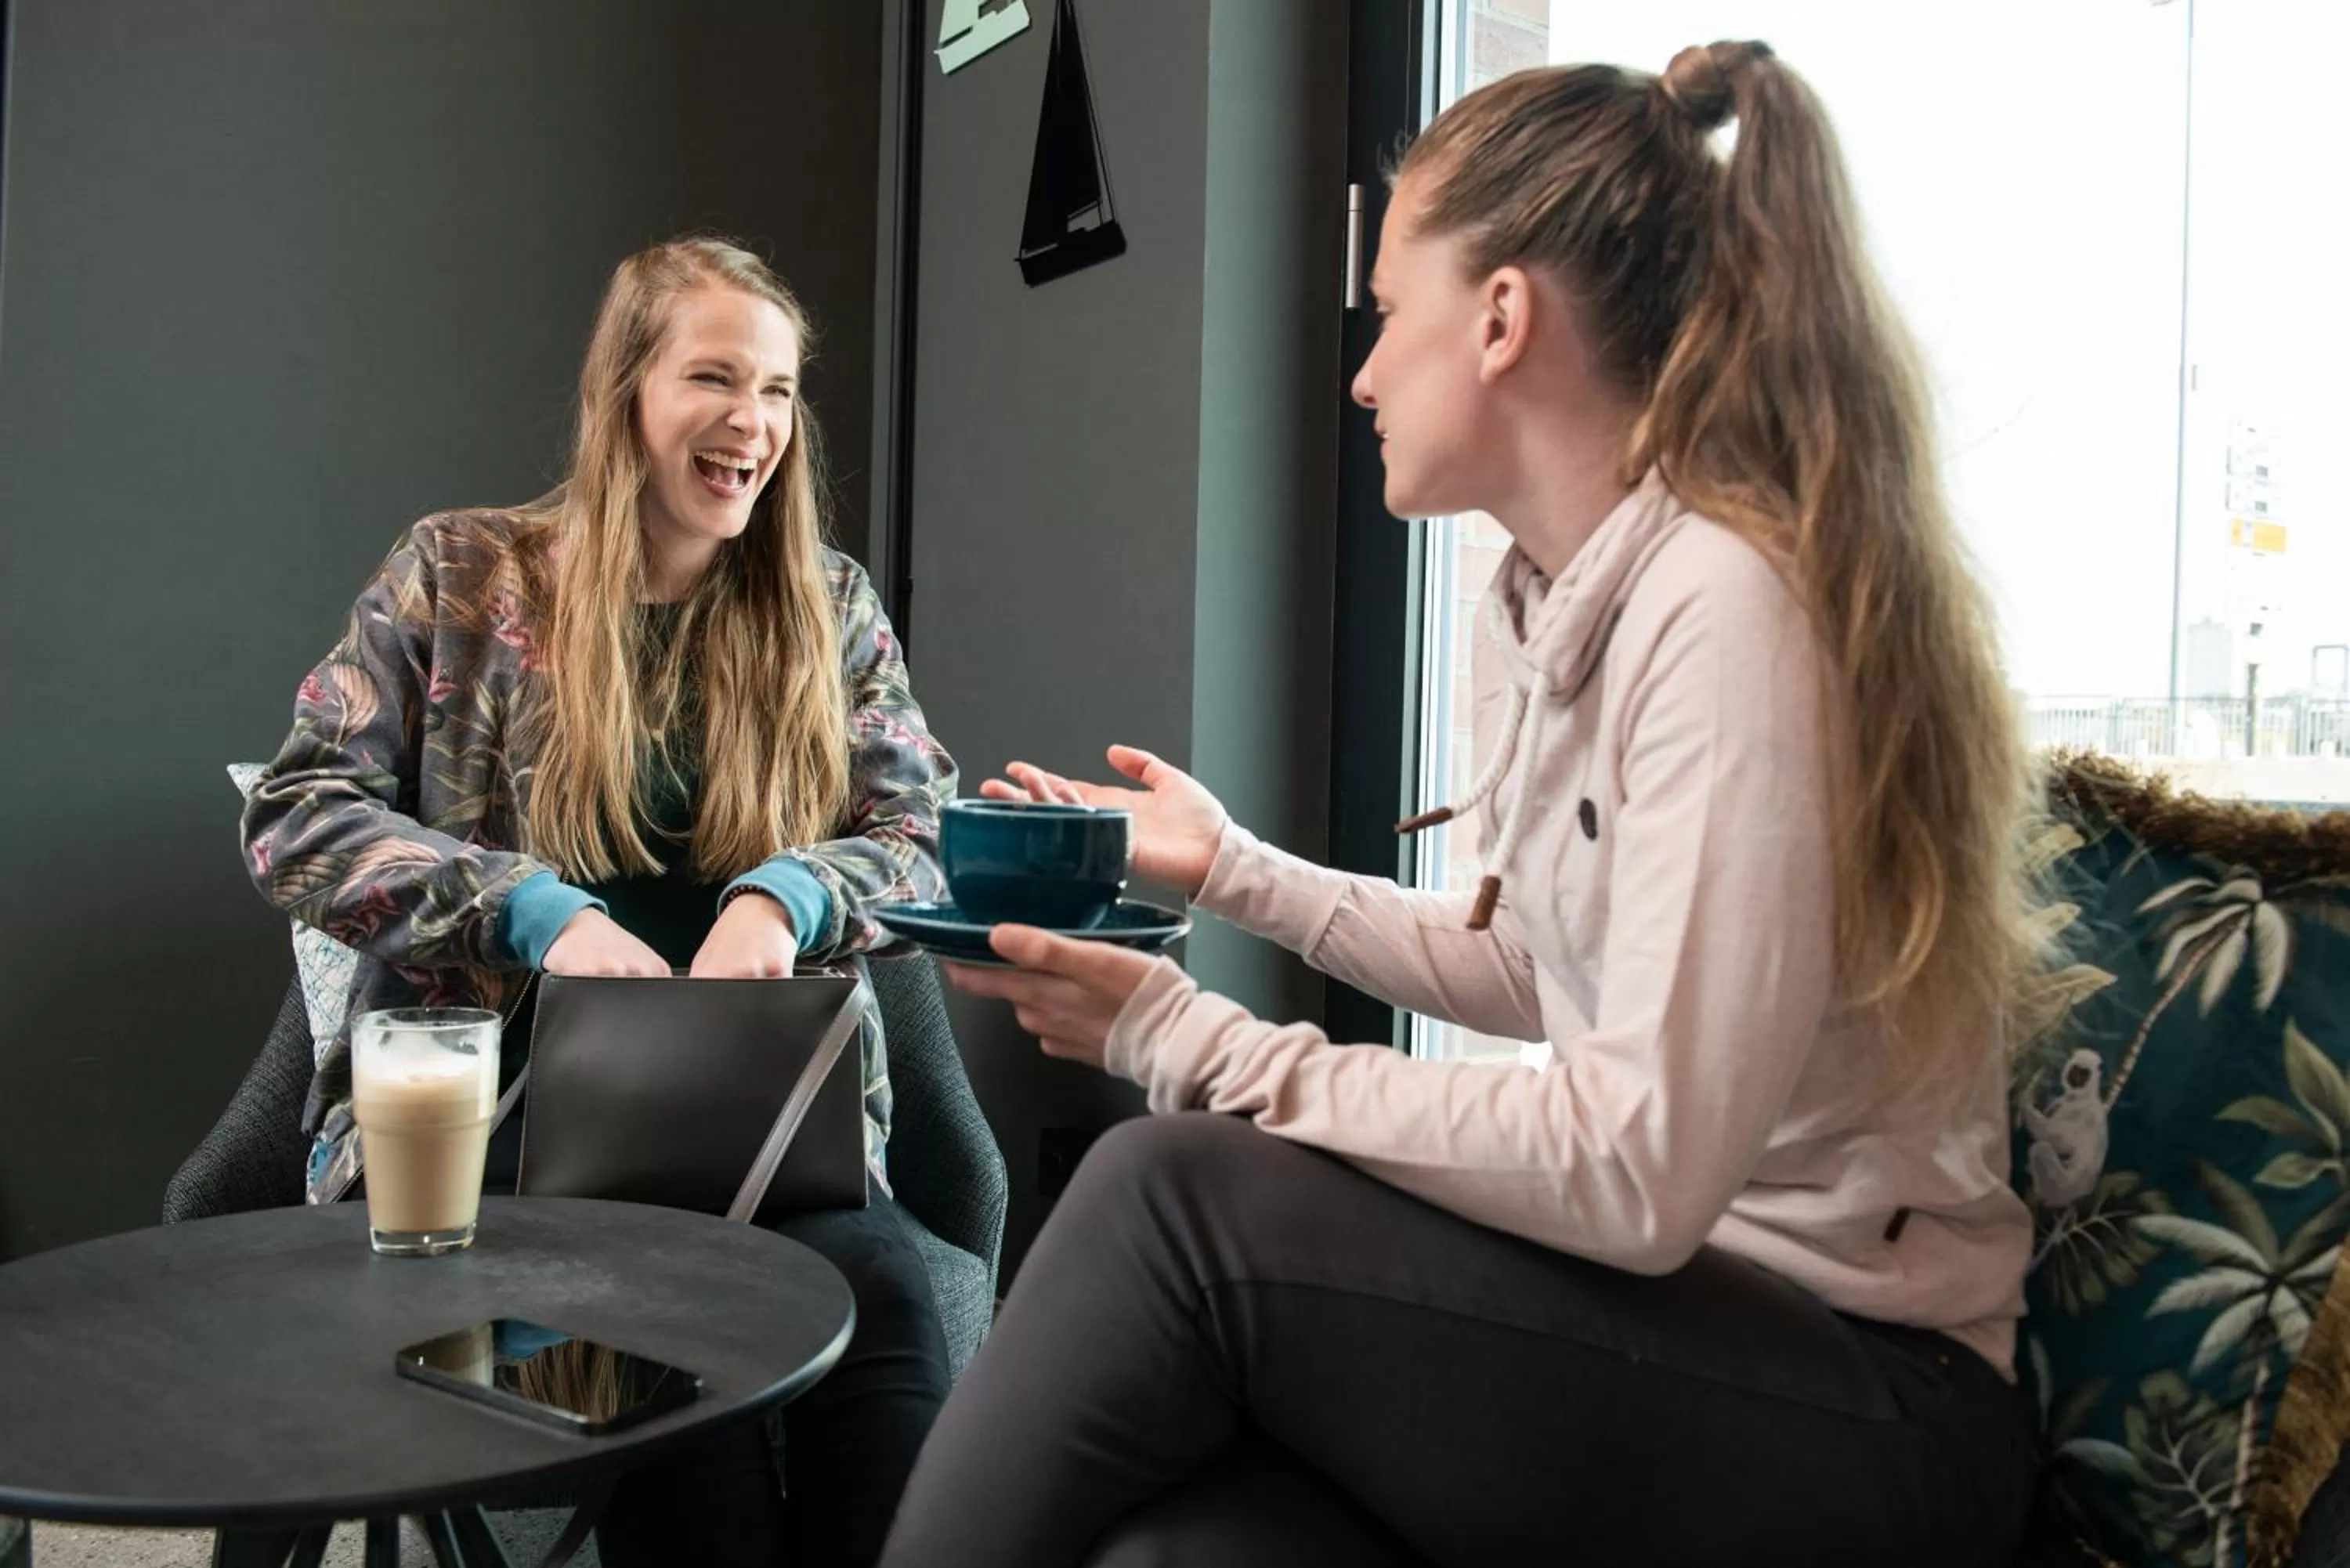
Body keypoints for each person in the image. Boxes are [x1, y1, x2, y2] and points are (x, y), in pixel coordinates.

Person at [880, 42, 2039, 1568]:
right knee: (1187, 1550)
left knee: (1171, 1187)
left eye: (1385, 311)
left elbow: (1636, 1159)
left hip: (1873, 1405)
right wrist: (1228, 865)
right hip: (1683, 1318)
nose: (1361, 369)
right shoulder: (1543, 596)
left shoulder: (1730, 606)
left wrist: (1177, 1033)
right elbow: (1537, 968)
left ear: (1500, 318)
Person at [242, 237, 956, 1566]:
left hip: (763, 1145)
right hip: (492, 1152)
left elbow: (923, 838)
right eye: (715, 378)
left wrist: (789, 897)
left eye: (783, 391)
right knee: (684, 1408)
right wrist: (533, 912)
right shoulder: (454, 575)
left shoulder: (831, 608)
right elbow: (294, 815)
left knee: (889, 1349)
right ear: (627, 390)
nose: (755, 424)